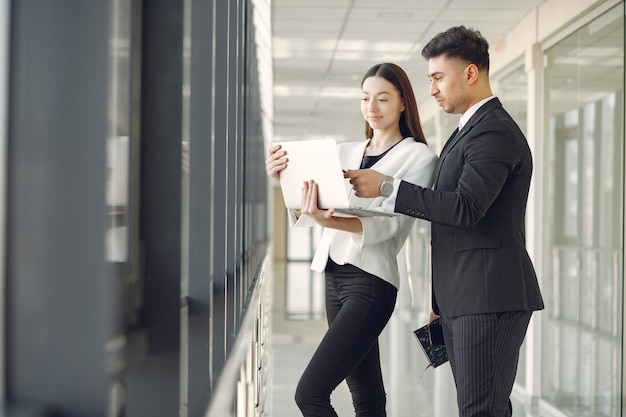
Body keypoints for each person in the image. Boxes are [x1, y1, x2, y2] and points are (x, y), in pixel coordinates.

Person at [344, 26, 544, 417]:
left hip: (488, 299)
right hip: (466, 297)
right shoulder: (467, 130)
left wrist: (388, 187)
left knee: (480, 410)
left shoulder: (493, 132)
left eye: (438, 77)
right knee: (481, 407)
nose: (432, 89)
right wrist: (442, 301)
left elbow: (466, 208)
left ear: (470, 73)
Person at [266, 62, 437, 417]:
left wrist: (328, 220)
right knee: (366, 394)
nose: (372, 108)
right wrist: (282, 179)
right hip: (334, 276)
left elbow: (391, 226)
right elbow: (306, 206)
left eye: (383, 99)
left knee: (310, 394)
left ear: (404, 103)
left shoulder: (419, 157)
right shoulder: (343, 151)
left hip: (371, 283)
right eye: (365, 98)